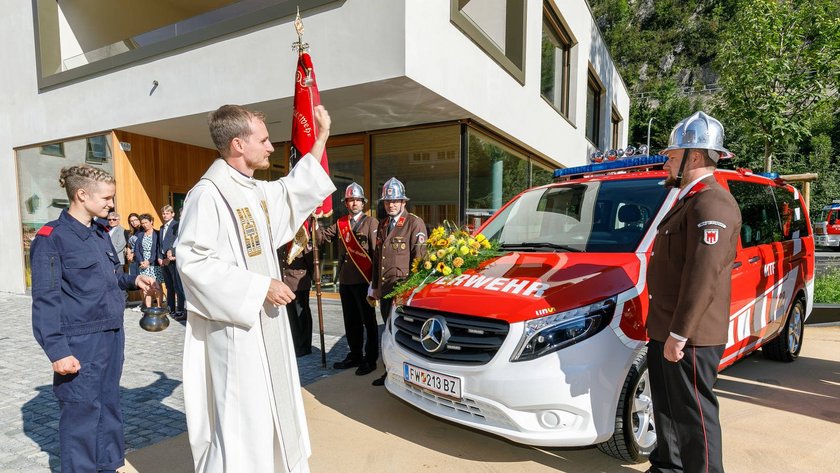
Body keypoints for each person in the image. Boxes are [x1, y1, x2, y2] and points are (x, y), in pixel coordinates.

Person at [176, 104, 335, 473]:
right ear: (237, 144)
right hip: (236, 333)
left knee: (268, 414)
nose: (270, 148)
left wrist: (322, 136)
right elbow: (192, 263)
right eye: (262, 140)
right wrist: (259, 286)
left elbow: (295, 189)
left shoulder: (254, 191)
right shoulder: (209, 194)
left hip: (266, 327)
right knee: (242, 419)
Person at [30, 165, 158, 473]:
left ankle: (108, 466)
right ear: (82, 194)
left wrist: (132, 281)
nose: (111, 205)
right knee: (81, 412)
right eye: (107, 198)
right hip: (79, 339)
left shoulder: (99, 233)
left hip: (111, 334)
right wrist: (57, 351)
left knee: (109, 405)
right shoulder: (52, 238)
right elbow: (45, 300)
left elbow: (108, 277)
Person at [645, 111, 741, 473]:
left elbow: (702, 275)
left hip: (690, 335)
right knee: (667, 407)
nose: (666, 161)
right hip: (668, 328)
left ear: (695, 157)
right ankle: (667, 466)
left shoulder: (711, 202)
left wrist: (679, 333)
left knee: (695, 416)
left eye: (672, 155)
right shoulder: (688, 199)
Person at [368, 177, 426, 386]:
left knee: (404, 335)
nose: (391, 205)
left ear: (403, 202)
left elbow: (420, 261)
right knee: (388, 333)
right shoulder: (383, 225)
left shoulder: (413, 223)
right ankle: (390, 372)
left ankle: (409, 375)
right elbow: (377, 260)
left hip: (402, 292)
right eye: (387, 201)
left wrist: (411, 291)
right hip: (386, 291)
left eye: (395, 201)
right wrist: (374, 287)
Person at [317, 182, 379, 375]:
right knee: (351, 321)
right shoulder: (340, 223)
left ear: (363, 203)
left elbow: (376, 254)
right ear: (346, 203)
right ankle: (355, 355)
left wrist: (375, 282)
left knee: (368, 322)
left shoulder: (371, 223)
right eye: (351, 200)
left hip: (364, 279)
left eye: (357, 200)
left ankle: (370, 359)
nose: (354, 203)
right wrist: (314, 222)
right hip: (345, 280)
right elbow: (322, 238)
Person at [278, 242, 315, 357]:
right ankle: (296, 344)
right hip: (286, 282)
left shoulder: (301, 239)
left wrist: (311, 278)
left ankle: (304, 346)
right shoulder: (283, 240)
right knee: (292, 317)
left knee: (301, 316)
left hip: (299, 283)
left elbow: (311, 263)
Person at [157, 204, 186, 320]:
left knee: (177, 286)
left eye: (167, 213)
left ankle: (180, 309)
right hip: (163, 261)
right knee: (169, 286)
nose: (165, 215)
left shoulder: (177, 225)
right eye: (163, 213)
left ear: (173, 214)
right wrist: (159, 257)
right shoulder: (161, 227)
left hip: (172, 260)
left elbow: (175, 242)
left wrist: (170, 255)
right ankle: (170, 308)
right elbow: (160, 244)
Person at [134, 213, 163, 310]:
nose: (144, 225)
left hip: (154, 264)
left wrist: (149, 261)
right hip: (143, 264)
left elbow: (157, 250)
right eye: (142, 223)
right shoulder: (140, 234)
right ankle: (148, 308)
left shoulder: (157, 234)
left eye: (146, 222)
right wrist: (141, 261)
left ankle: (159, 306)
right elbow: (136, 249)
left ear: (151, 222)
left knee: (157, 285)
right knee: (146, 287)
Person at [107, 211, 128, 303]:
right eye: (109, 219)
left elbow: (120, 245)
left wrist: (107, 253)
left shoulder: (121, 230)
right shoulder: (108, 230)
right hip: (108, 260)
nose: (111, 221)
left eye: (114, 219)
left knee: (119, 280)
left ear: (118, 220)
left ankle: (123, 301)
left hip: (117, 260)